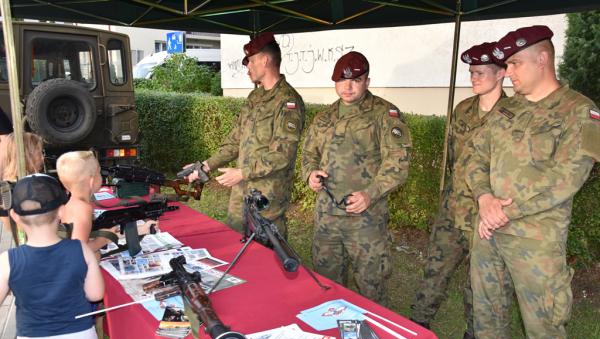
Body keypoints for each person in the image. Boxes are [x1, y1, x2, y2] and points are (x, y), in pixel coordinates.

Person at [455, 25, 600, 339]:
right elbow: (473, 156)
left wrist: (508, 210)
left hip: (535, 242)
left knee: (544, 325)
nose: (510, 72)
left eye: (516, 63)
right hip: (489, 232)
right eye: (508, 65)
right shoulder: (507, 110)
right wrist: (485, 197)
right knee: (486, 311)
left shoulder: (581, 110)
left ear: (543, 58)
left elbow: (570, 175)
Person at [410, 42, 506, 339]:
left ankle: (473, 338)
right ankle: (418, 324)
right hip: (453, 208)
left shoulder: (514, 116)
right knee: (434, 269)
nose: (473, 77)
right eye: (471, 72)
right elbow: (452, 158)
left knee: (476, 282)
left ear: (501, 73)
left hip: (484, 216)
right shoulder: (463, 109)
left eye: (480, 72)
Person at [301, 51, 411, 305]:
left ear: (367, 82)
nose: (347, 87)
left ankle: (376, 337)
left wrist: (370, 193)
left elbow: (398, 163)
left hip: (365, 219)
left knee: (371, 287)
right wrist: (310, 173)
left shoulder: (385, 114)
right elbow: (308, 153)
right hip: (327, 217)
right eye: (341, 80)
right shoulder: (325, 117)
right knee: (326, 286)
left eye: (355, 80)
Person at [184, 32, 305, 237]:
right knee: (234, 243)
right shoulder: (255, 96)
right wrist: (205, 166)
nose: (247, 67)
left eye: (250, 61)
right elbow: (235, 140)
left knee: (265, 254)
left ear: (264, 60)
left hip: (267, 197)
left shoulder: (288, 101)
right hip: (241, 192)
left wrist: (241, 173)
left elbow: (282, 155)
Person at [0, 173, 106, 339]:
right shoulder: (81, 249)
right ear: (61, 211)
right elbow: (96, 294)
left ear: (15, 217)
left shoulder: (8, 260)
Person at [56, 150, 155, 254]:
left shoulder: (73, 203)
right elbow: (78, 252)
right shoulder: (82, 209)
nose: (101, 175)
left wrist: (142, 229)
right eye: (99, 172)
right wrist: (103, 240)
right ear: (91, 181)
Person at [0, 132, 44, 241]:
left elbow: (9, 226)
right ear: (28, 156)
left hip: (23, 242)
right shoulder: (34, 185)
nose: (43, 158)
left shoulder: (4, 186)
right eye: (39, 153)